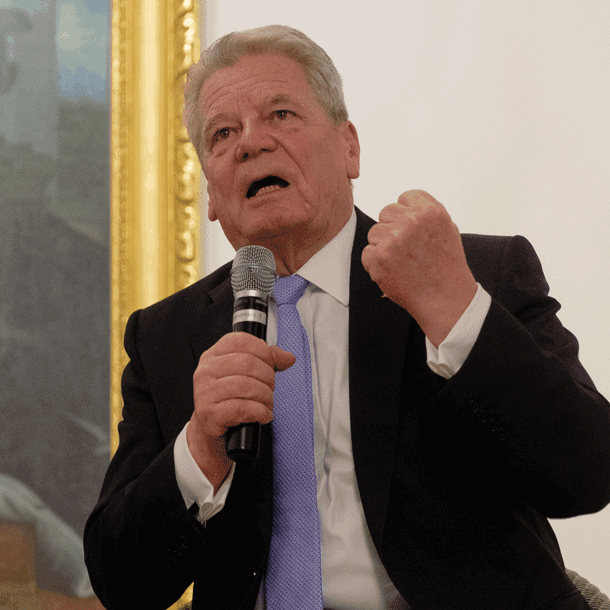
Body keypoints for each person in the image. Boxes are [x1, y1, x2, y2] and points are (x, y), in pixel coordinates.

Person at [84, 25, 610, 610]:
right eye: (222, 133)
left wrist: (458, 315)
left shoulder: (468, 275)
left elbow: (587, 475)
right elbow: (121, 585)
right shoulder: (167, 336)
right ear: (210, 191)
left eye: (281, 114)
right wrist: (199, 449)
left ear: (349, 147)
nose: (250, 144)